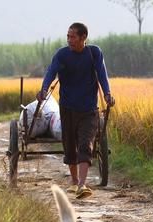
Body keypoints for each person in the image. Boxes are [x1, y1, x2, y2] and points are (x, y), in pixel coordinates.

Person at [38, 22, 115, 199]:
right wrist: (44, 89)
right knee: (69, 145)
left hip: (89, 109)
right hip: (67, 107)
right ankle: (74, 182)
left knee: (85, 144)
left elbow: (102, 75)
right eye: (68, 36)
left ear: (83, 38)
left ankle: (82, 184)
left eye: (72, 36)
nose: (69, 40)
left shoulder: (94, 53)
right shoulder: (62, 55)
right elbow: (51, 73)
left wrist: (108, 94)